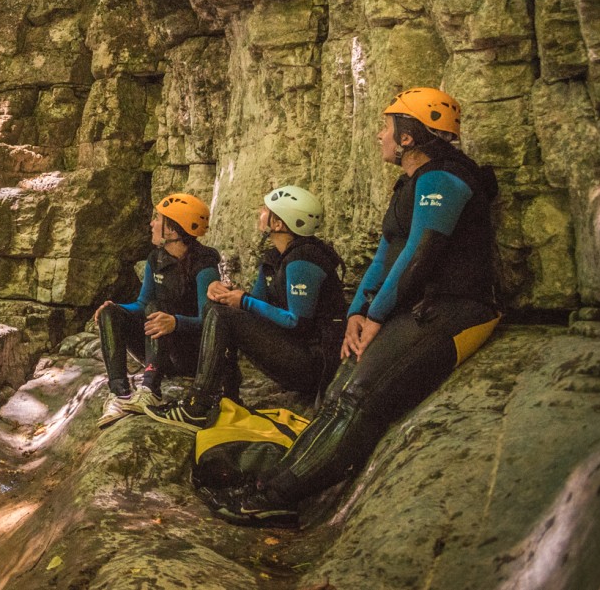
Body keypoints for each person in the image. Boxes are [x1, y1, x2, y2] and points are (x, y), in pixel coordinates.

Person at [214, 88, 501, 527]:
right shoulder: (409, 183)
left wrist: (378, 316)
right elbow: (385, 258)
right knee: (336, 392)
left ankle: (276, 495)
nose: (378, 135)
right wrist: (357, 314)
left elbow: (419, 257)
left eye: (386, 127)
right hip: (420, 306)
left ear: (408, 137)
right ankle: (270, 485)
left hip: (459, 309)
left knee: (358, 395)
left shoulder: (444, 178)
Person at [143, 185, 344, 432]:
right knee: (218, 309)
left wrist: (243, 300)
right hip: (293, 352)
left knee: (220, 314)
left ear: (278, 223)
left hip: (313, 364)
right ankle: (227, 394)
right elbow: (254, 308)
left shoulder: (303, 260)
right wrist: (229, 294)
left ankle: (198, 405)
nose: (260, 212)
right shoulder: (272, 258)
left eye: (266, 210)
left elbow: (297, 322)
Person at [95, 192, 221, 428]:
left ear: (172, 230)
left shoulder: (205, 264)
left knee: (157, 308)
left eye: (158, 219)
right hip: (161, 350)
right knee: (110, 312)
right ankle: (120, 394)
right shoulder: (157, 258)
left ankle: (150, 388)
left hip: (190, 354)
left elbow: (211, 321)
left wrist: (176, 322)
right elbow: (142, 305)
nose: (152, 224)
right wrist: (116, 309)